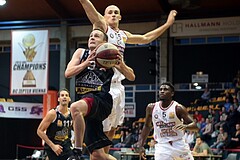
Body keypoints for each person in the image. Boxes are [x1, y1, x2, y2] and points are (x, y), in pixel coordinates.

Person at [78, 0, 177, 154]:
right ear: (104, 16)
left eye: (116, 12)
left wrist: (168, 24)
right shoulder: (102, 28)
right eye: (109, 12)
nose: (113, 14)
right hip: (105, 85)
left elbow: (146, 38)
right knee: (103, 129)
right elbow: (88, 7)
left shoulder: (123, 35)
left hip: (119, 86)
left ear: (120, 17)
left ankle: (105, 156)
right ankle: (100, 157)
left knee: (113, 129)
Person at [65, 29, 135, 160]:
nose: (92, 37)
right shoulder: (81, 53)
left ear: (104, 42)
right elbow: (68, 73)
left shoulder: (109, 55)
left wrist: (122, 65)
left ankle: (77, 152)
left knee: (74, 108)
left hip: (101, 100)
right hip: (86, 105)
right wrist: (86, 63)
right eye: (90, 35)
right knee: (98, 155)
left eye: (96, 36)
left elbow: (131, 76)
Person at [135, 82, 199, 160]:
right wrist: (141, 145)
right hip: (162, 145)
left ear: (172, 93)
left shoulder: (178, 108)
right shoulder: (151, 108)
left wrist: (186, 126)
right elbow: (147, 126)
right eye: (160, 89)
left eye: (165, 89)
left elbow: (195, 126)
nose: (162, 91)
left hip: (179, 144)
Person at [37, 88, 73, 160]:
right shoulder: (53, 113)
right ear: (58, 99)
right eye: (62, 95)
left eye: (66, 95)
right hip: (53, 147)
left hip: (66, 146)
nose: (64, 97)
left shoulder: (72, 113)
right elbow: (39, 131)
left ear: (69, 99)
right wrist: (53, 146)